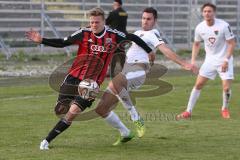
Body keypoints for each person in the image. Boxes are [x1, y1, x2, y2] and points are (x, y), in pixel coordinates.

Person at [25, 7, 154, 150]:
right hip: (74, 77)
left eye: (97, 22)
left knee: (72, 113)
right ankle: (124, 131)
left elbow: (133, 37)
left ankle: (46, 141)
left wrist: (149, 51)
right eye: (91, 22)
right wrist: (41, 40)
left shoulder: (113, 35)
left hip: (91, 84)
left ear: (104, 22)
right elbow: (63, 42)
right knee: (60, 110)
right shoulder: (83, 33)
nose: (93, 25)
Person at [94, 7, 197, 143]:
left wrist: (184, 64)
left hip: (137, 71)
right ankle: (125, 132)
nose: (145, 21)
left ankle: (136, 118)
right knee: (101, 109)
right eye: (143, 18)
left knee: (114, 83)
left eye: (149, 19)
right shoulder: (137, 33)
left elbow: (165, 50)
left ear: (154, 21)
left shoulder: (153, 34)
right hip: (126, 72)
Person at [176, 3, 236, 120]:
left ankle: (224, 108)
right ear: (202, 13)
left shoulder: (224, 26)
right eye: (205, 11)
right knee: (198, 85)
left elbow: (232, 43)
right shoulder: (200, 27)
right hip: (210, 61)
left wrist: (226, 60)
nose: (207, 13)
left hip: (225, 60)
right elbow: (196, 44)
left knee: (226, 88)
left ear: (214, 13)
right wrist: (193, 61)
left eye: (209, 11)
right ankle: (188, 111)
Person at [106, 0, 128, 77]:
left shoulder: (113, 13)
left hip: (114, 37)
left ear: (116, 4)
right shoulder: (125, 13)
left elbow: (106, 22)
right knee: (122, 55)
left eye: (114, 4)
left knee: (112, 55)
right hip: (123, 37)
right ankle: (124, 72)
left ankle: (112, 73)